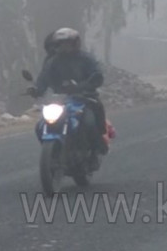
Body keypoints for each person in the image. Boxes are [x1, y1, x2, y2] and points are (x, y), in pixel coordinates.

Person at [25, 27, 109, 155]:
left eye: (68, 43)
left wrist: (83, 86)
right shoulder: (52, 61)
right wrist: (36, 90)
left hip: (84, 98)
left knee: (90, 122)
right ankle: (54, 152)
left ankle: (98, 144)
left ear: (76, 43)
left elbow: (96, 75)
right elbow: (43, 78)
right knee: (39, 126)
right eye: (61, 43)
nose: (64, 46)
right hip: (61, 100)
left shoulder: (86, 59)